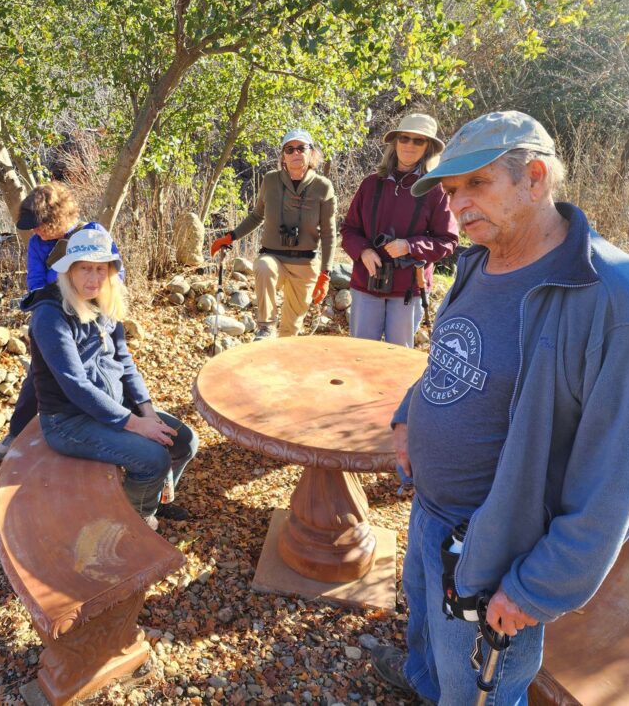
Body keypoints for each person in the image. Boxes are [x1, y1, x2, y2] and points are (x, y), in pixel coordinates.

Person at [370, 111, 629, 704]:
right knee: (427, 636)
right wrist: (408, 415)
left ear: (536, 177)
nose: (459, 205)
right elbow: (450, 356)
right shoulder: (477, 259)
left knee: (481, 690)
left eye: (478, 183)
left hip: (497, 550)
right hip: (430, 513)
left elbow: (619, 480)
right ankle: (423, 681)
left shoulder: (610, 297)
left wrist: (533, 589)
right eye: (451, 191)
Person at [22, 228, 198, 529]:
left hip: (113, 406)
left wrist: (148, 412)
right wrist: (135, 425)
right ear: (69, 270)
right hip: (68, 421)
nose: (93, 278)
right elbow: (75, 385)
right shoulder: (50, 315)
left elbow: (124, 361)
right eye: (85, 269)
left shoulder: (103, 302)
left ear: (110, 272)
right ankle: (135, 523)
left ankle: (154, 498)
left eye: (100, 269)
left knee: (184, 441)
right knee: (153, 458)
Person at [0, 182, 122, 460]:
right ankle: (17, 432)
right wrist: (49, 312)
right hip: (56, 317)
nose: (34, 231)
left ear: (57, 218)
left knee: (103, 367)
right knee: (37, 378)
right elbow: (35, 283)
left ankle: (109, 422)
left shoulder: (92, 233)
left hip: (93, 318)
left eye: (39, 225)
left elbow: (113, 276)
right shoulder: (39, 244)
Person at [340, 113, 459, 347]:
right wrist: (364, 251)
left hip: (408, 289)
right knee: (359, 354)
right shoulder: (371, 184)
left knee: (398, 357)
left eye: (418, 141)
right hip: (367, 283)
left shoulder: (435, 191)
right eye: (404, 138)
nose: (409, 145)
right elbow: (349, 230)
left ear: (428, 148)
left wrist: (410, 246)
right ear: (395, 142)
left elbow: (448, 240)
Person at [210, 129, 336, 340]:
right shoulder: (270, 180)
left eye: (301, 148)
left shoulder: (323, 187)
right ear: (283, 156)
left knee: (290, 331)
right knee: (263, 266)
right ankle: (265, 326)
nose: (295, 153)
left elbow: (330, 234)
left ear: (311, 153)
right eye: (289, 149)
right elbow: (257, 215)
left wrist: (326, 273)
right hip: (273, 257)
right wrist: (231, 236)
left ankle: (280, 367)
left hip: (305, 264)